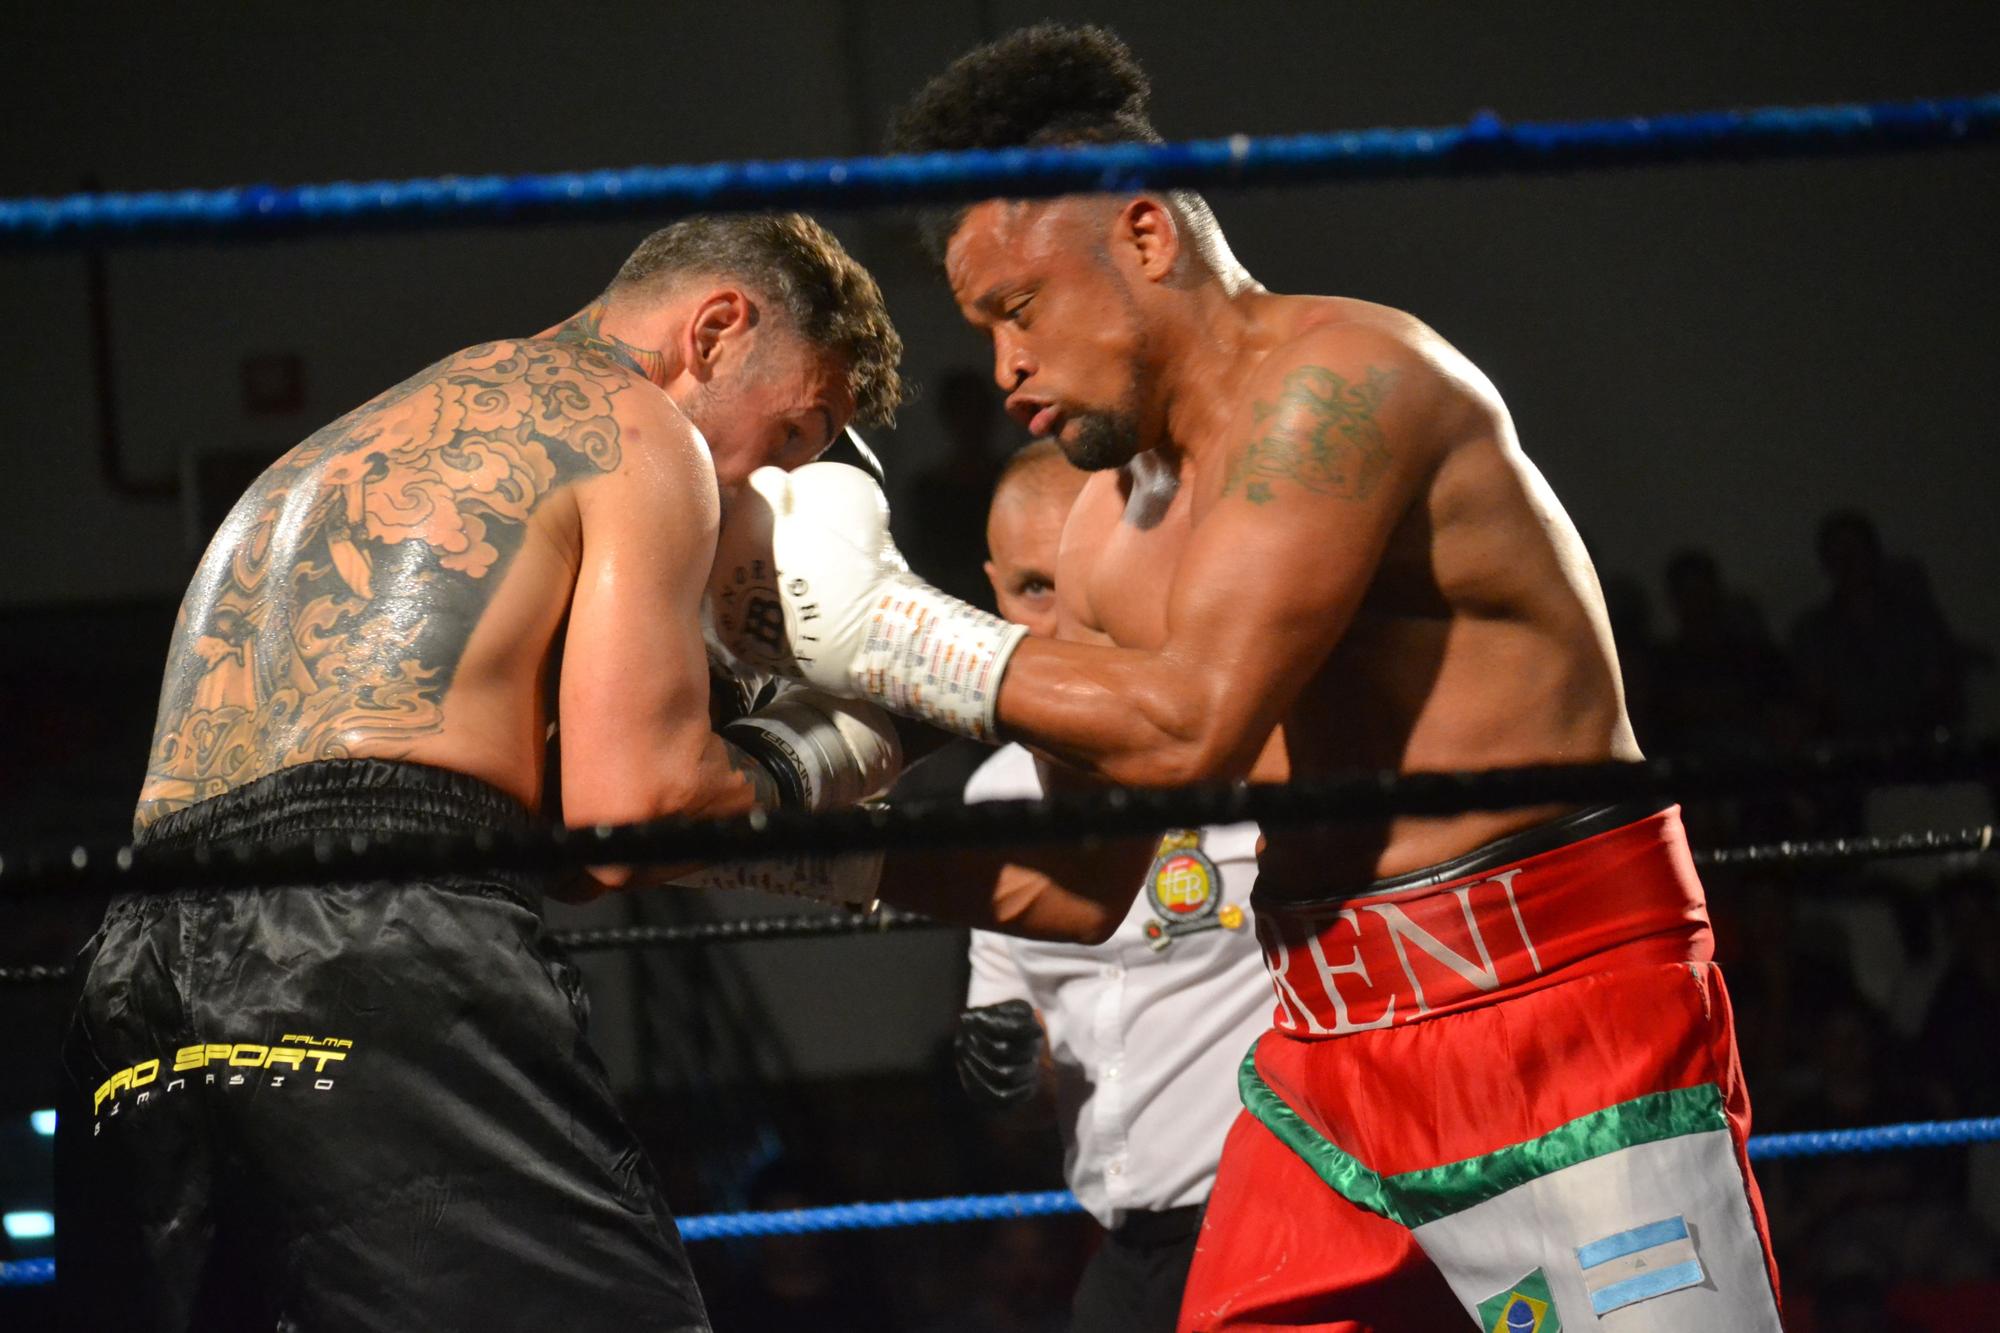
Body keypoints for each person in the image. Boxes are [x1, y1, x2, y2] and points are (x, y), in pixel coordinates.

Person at [707, 24, 1783, 1331]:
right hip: (1324, 1046)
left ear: (1147, 237)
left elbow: (1192, 723)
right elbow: (1082, 877)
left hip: (1554, 1002)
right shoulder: (1115, 525)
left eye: (1021, 310)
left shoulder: (1350, 384)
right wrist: (781, 845)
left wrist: (885, 628)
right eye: (984, 326)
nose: (1001, 370)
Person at [61, 213, 906, 1333]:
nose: (769, 478)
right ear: (714, 329)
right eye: (792, 431)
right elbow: (628, 817)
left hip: (132, 973)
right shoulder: (637, 427)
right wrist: (819, 753)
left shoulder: (327, 452)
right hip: (374, 938)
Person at [953, 442, 1272, 1333]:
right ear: (992, 589)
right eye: (1032, 589)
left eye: (1080, 581)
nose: (1060, 623)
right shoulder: (996, 797)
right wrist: (1011, 1065)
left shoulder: (1259, 762)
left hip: (1278, 1224)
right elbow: (1030, 1054)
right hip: (1121, 1245)